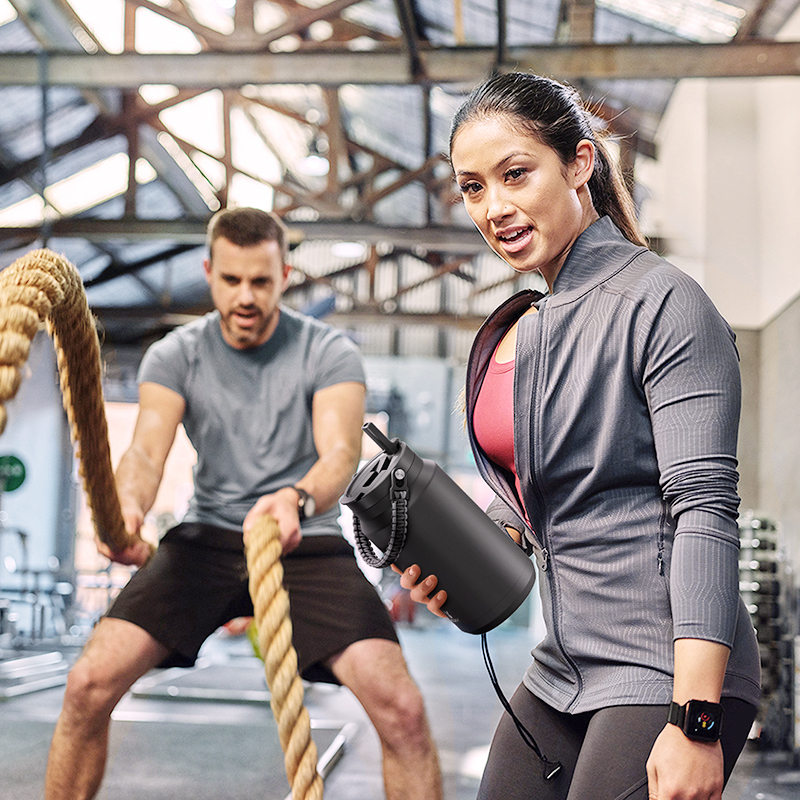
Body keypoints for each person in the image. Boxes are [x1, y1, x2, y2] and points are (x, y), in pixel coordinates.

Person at [397, 72, 761, 800]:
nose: (495, 207)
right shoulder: (528, 326)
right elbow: (534, 492)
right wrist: (473, 558)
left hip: (666, 662)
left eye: (516, 174)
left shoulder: (663, 304)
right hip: (562, 665)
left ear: (581, 165)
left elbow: (705, 514)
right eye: (473, 188)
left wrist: (697, 720)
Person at [44, 207, 443, 800]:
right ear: (209, 272)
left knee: (403, 710)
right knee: (86, 686)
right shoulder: (175, 354)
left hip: (306, 541)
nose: (246, 296)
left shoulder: (327, 352)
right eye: (231, 280)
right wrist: (127, 506)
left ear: (285, 274)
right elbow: (147, 454)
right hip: (205, 539)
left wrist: (296, 498)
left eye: (261, 281)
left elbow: (338, 455)